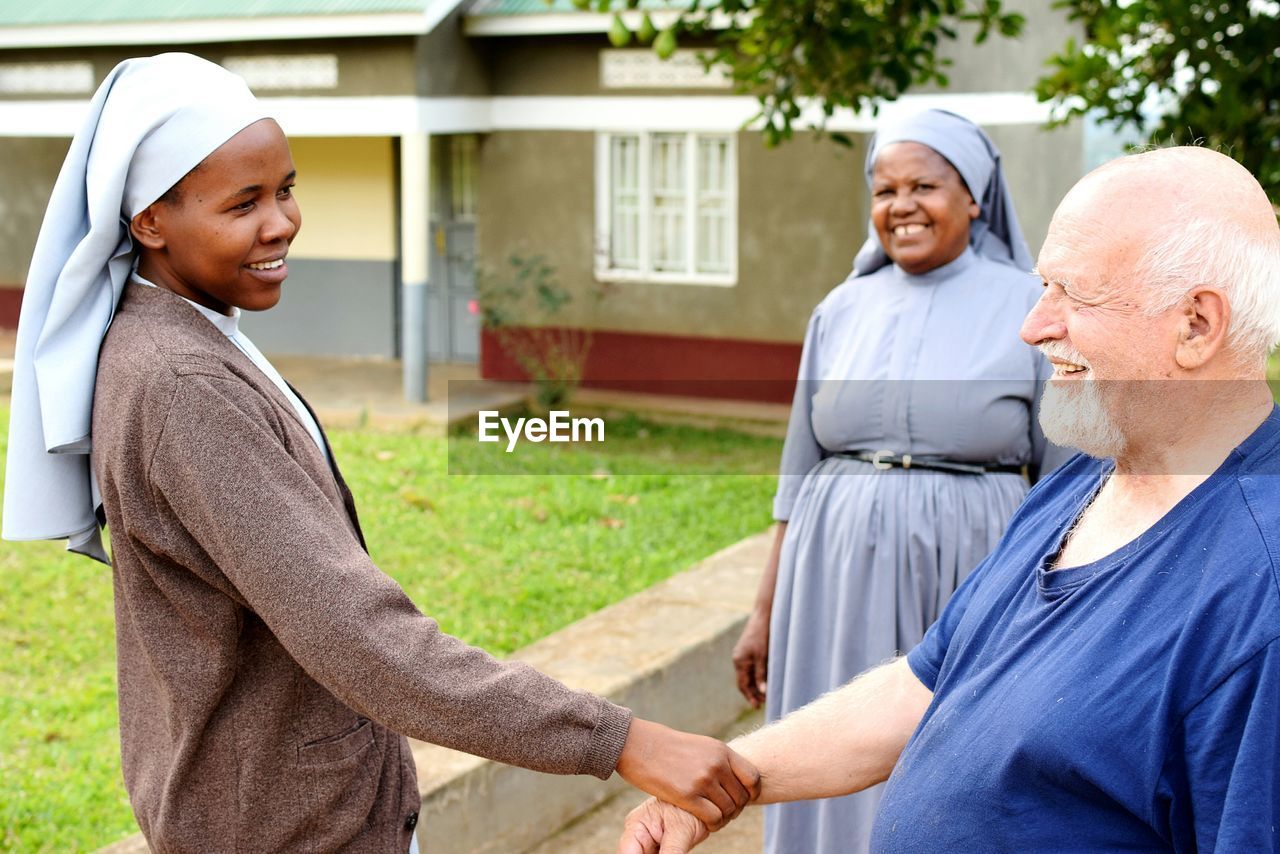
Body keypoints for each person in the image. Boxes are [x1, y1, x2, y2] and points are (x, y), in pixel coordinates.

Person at [1, 53, 759, 851]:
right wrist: (622, 740)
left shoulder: (179, 336)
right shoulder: (185, 384)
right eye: (243, 203)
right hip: (283, 830)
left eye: (286, 188)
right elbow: (360, 636)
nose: (282, 222)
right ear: (148, 220)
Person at [620, 145, 1280, 853]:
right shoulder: (1081, 486)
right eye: (1042, 287)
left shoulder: (1258, 596)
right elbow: (921, 688)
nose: (1033, 326)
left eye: (1073, 294)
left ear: (1197, 326)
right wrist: (727, 782)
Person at [732, 108, 1067, 853]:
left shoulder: (1030, 310)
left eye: (924, 185)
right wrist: (764, 611)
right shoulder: (839, 308)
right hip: (832, 577)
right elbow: (798, 469)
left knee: (945, 751)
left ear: (975, 194)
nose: (901, 206)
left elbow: (1067, 482)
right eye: (885, 190)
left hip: (972, 571)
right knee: (828, 741)